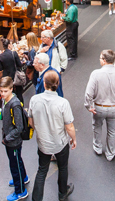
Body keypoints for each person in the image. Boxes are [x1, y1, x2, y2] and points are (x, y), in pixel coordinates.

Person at [28, 71, 76, 201]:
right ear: (58, 84)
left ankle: (36, 198)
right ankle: (62, 192)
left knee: (42, 171)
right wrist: (73, 138)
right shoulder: (63, 102)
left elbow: (31, 122)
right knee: (63, 167)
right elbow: (69, 126)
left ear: (44, 84)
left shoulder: (34, 100)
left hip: (43, 143)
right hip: (60, 143)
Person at [84, 49, 115, 161]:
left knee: (97, 127)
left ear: (104, 60)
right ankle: (110, 153)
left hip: (98, 107)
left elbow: (88, 93)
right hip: (114, 108)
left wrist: (88, 106)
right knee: (112, 131)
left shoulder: (95, 74)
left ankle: (98, 147)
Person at [0, 77, 29, 201]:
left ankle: (20, 191)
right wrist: (0, 116)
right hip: (10, 140)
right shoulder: (6, 101)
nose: (3, 94)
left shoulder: (14, 104)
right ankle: (23, 178)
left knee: (14, 166)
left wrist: (7, 139)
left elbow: (19, 127)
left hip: (13, 142)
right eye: (1, 91)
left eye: (5, 91)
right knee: (17, 161)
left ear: (11, 89)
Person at [0, 38, 24, 103]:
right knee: (19, 94)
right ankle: (21, 108)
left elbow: (0, 68)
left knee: (9, 95)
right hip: (16, 77)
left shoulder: (0, 56)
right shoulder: (14, 53)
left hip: (7, 78)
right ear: (9, 45)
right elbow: (19, 65)